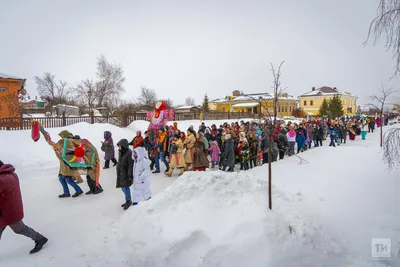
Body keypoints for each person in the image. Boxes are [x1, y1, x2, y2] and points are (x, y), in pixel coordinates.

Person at [0, 160, 48, 254]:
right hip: (10, 209)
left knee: (20, 228)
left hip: (7, 212)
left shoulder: (2, 179)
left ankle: (40, 239)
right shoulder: (10, 174)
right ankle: (40, 238)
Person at [116, 139, 134, 210]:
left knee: (125, 187)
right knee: (122, 187)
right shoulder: (121, 152)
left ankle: (128, 200)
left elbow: (130, 165)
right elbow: (119, 161)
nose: (119, 147)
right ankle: (127, 199)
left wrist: (130, 175)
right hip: (121, 172)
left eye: (120, 146)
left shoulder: (129, 153)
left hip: (126, 173)